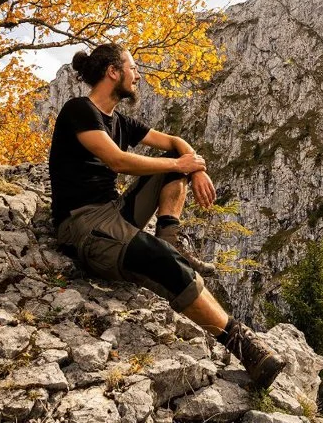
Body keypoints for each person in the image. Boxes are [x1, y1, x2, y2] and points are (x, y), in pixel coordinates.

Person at [48, 43, 286, 390]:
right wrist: (181, 164)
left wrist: (195, 168)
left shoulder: (120, 121)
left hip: (113, 213)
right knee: (163, 254)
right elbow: (118, 161)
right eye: (132, 68)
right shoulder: (79, 111)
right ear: (113, 72)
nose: (138, 75)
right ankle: (245, 348)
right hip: (83, 225)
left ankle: (169, 240)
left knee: (174, 170)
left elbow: (175, 141)